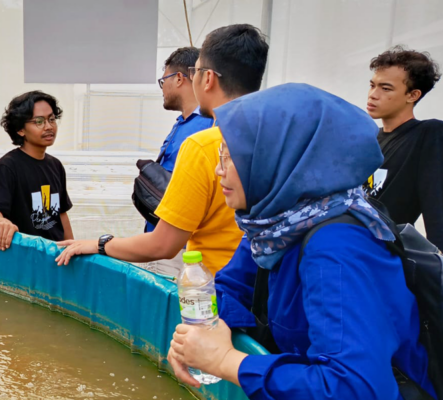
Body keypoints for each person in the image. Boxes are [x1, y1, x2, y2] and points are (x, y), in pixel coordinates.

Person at [167, 83, 435, 399]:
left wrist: (226, 361)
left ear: (279, 157)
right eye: (220, 153)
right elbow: (232, 287)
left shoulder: (338, 247)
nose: (218, 170)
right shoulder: (274, 226)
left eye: (230, 156)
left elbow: (353, 387)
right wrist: (206, 330)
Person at [56, 24, 268, 275]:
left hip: (214, 288)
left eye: (196, 71)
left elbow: (164, 244)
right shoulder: (273, 140)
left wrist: (98, 244)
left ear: (208, 78)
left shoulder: (204, 146)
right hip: (259, 283)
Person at [143, 47, 215, 275]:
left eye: (163, 80)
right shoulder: (184, 124)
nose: (162, 88)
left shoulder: (204, 128)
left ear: (180, 78)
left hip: (177, 249)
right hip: (164, 241)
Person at [365, 46, 443, 249]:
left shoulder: (428, 134)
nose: (373, 94)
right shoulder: (368, 139)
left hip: (381, 257)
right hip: (346, 247)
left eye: (386, 88)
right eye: (372, 85)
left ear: (413, 95)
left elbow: (437, 204)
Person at [0, 91, 74, 250]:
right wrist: (2, 223)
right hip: (25, 255)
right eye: (39, 121)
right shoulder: (7, 166)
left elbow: (61, 214)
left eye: (52, 119)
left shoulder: (56, 165)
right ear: (20, 129)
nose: (48, 126)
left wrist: (73, 249)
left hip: (56, 255)